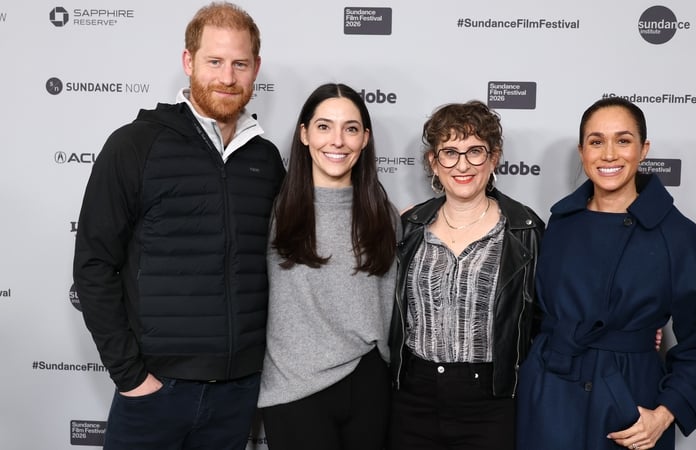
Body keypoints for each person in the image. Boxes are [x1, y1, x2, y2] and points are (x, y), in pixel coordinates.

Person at [72, 3, 285, 449]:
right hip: (155, 390)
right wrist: (131, 377)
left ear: (255, 69)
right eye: (214, 61)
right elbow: (93, 265)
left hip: (238, 391)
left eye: (240, 63)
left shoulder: (265, 161)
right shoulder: (135, 144)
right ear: (189, 62)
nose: (227, 76)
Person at [516, 97, 696, 450]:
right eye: (596, 141)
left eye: (623, 140)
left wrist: (664, 414)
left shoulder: (678, 236)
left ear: (644, 149)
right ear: (582, 151)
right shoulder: (559, 223)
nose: (609, 155)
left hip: (628, 405)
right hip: (549, 398)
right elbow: (536, 315)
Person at [388, 100, 545, 450]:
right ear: (433, 161)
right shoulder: (410, 227)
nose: (462, 165)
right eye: (449, 152)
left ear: (495, 158)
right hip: (414, 396)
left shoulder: (524, 229)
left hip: (490, 400)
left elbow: (549, 314)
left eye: (475, 151)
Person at [258, 83, 398, 450]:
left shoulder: (385, 216)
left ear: (365, 139)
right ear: (304, 134)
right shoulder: (272, 213)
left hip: (369, 383)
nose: (337, 140)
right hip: (294, 387)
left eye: (350, 128)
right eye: (323, 126)